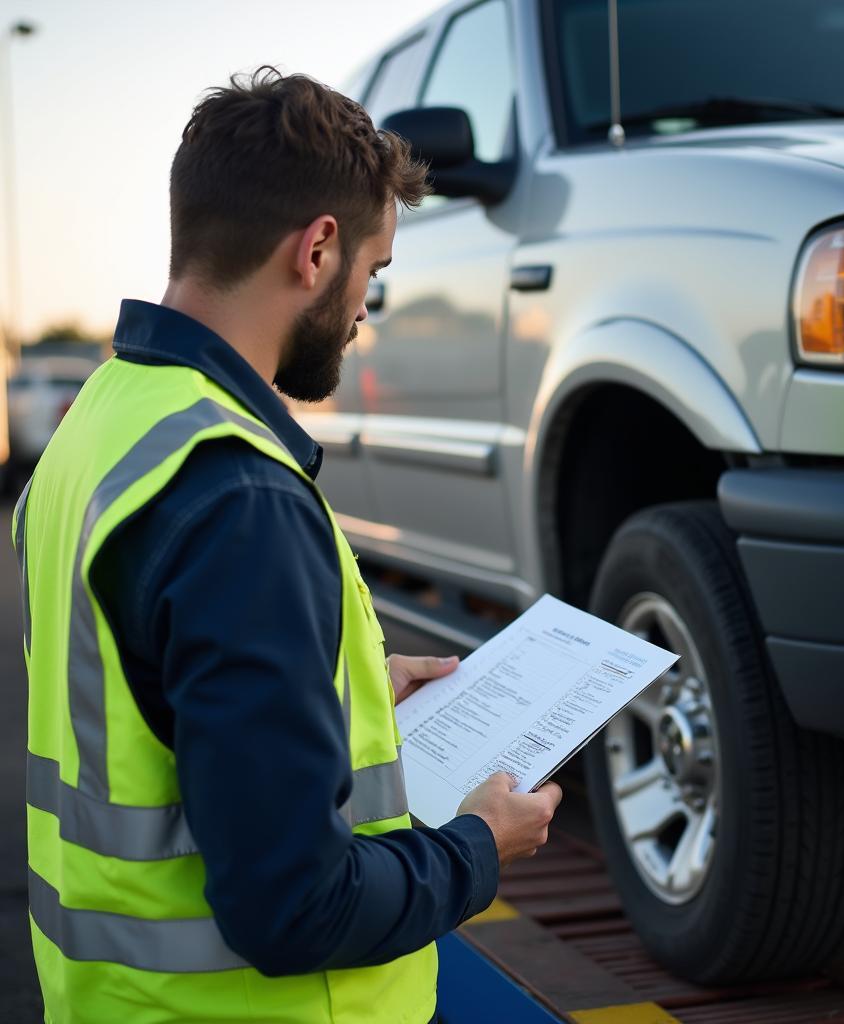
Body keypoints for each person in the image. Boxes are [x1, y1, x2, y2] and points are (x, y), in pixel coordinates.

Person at [13, 67, 561, 1024]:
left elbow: (144, 697)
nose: (364, 313)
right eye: (373, 274)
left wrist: (334, 692)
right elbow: (296, 909)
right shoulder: (241, 496)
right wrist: (480, 845)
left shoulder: (100, 426)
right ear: (317, 249)